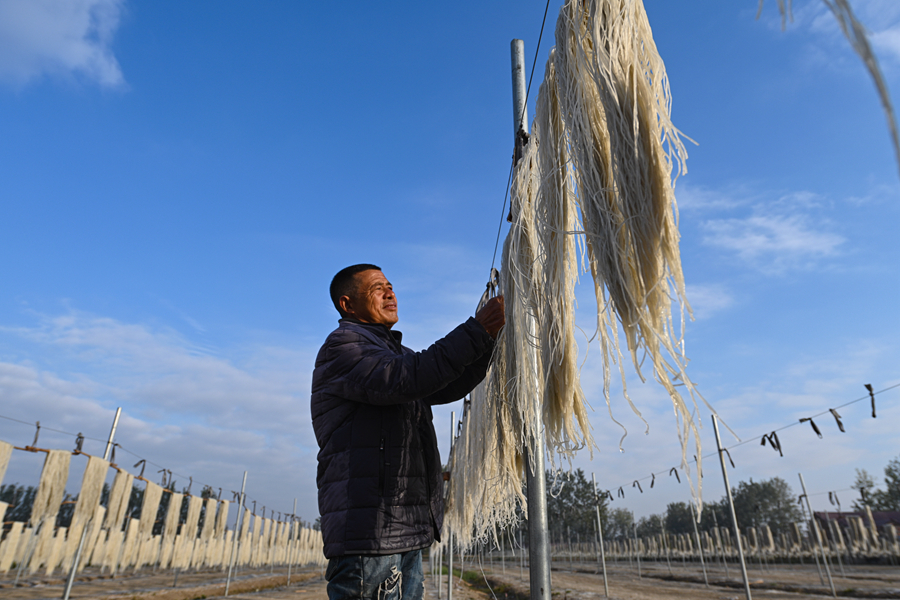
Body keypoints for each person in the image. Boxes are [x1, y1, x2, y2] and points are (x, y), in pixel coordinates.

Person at [311, 264, 504, 600]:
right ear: (347, 304)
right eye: (376, 288)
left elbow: (444, 384)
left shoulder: (392, 353)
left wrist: (490, 341)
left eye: (390, 286)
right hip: (372, 537)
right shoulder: (342, 348)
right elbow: (407, 377)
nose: (390, 293)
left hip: (403, 531)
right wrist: (476, 330)